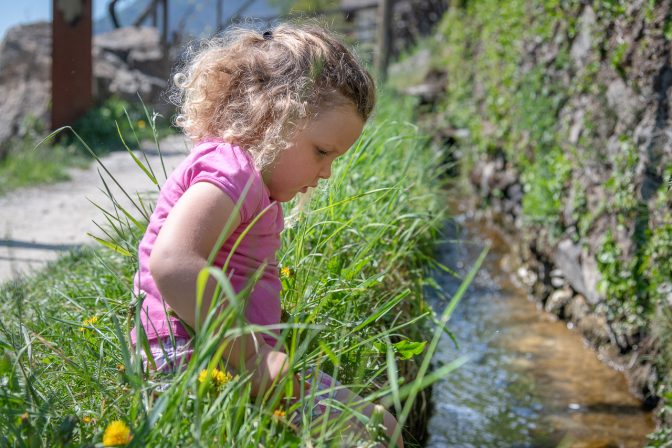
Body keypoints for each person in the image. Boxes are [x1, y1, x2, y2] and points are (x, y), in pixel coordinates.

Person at [130, 23, 403, 447]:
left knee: (381, 428)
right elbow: (173, 261)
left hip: (221, 356)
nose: (326, 172)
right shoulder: (231, 172)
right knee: (377, 434)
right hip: (190, 357)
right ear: (275, 116)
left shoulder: (249, 184)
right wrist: (252, 356)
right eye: (322, 152)